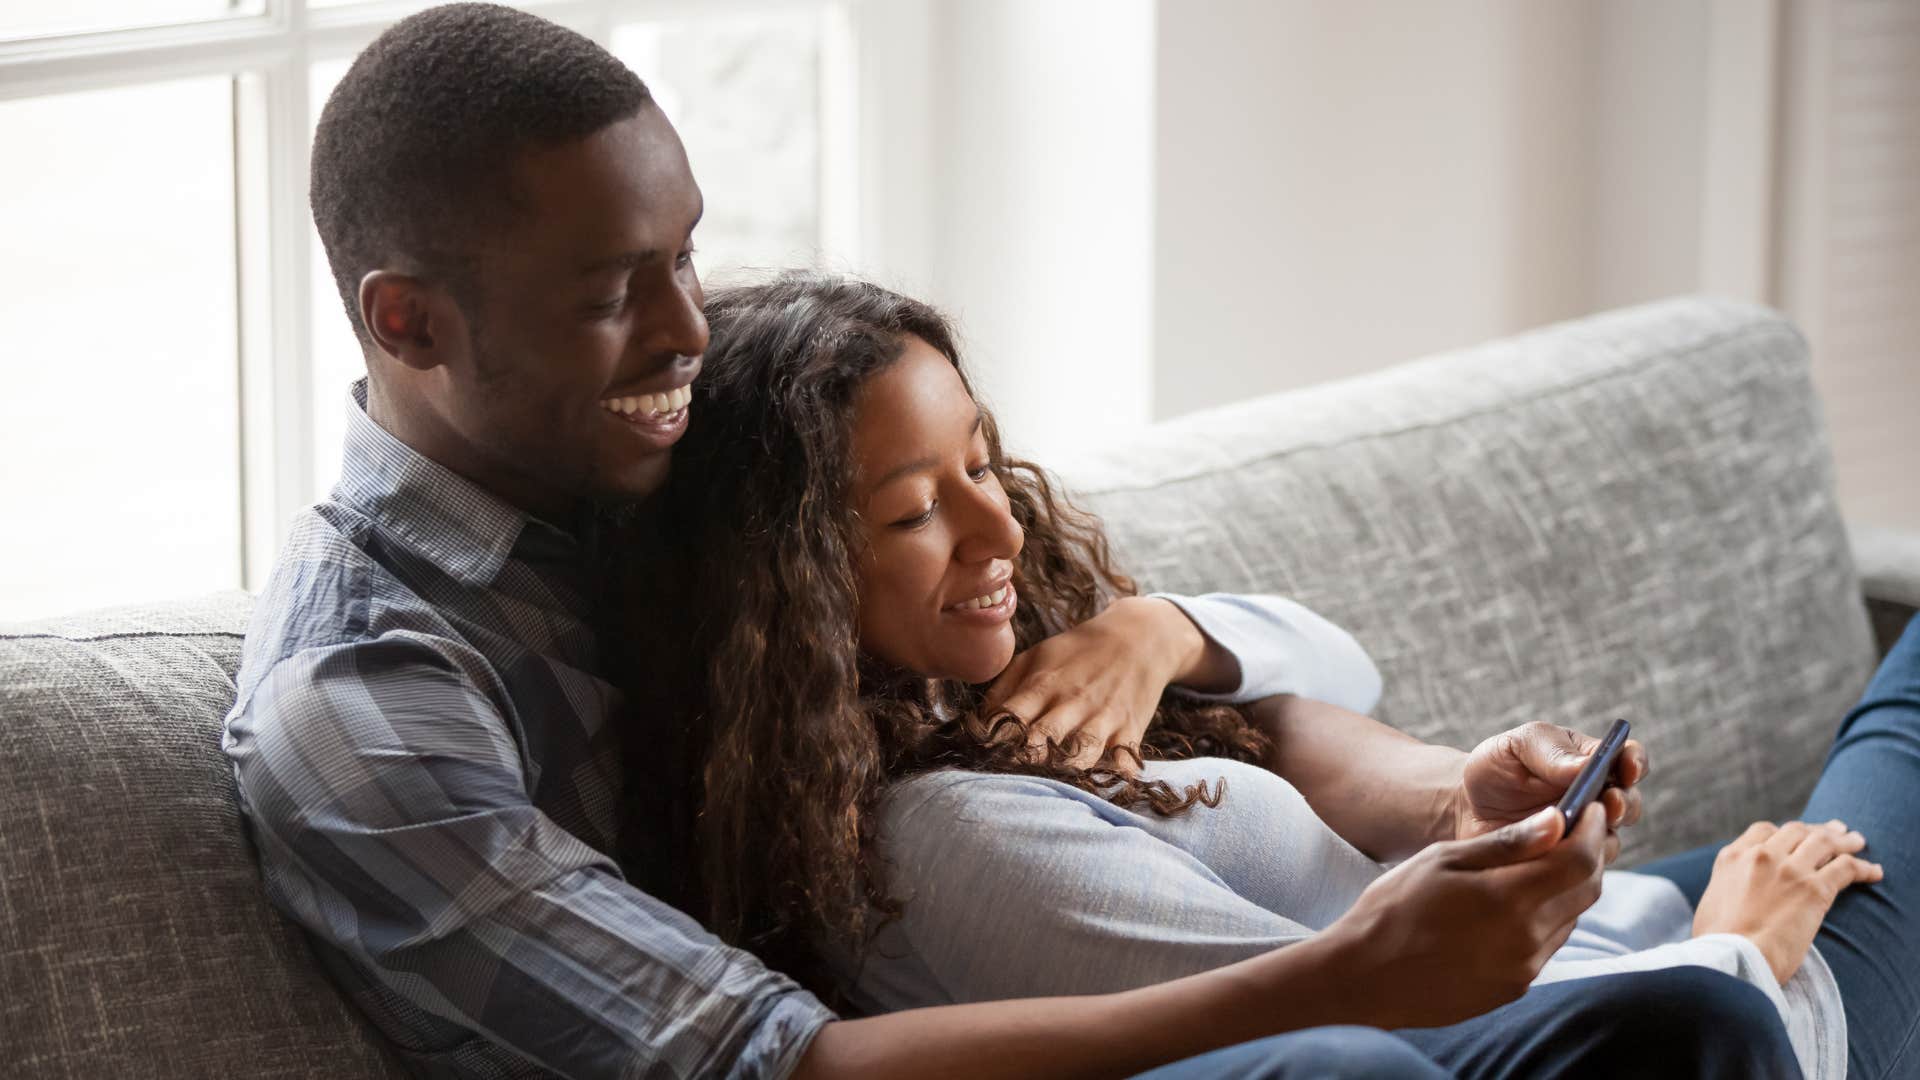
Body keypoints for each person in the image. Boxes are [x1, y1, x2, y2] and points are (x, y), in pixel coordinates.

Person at [223, 4, 1795, 1077]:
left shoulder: (668, 465)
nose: (689, 330)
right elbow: (774, 1060)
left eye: (687, 259)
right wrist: (1356, 972)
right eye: (611, 293)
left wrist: (1159, 629)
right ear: (407, 320)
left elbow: (1242, 692)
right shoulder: (367, 701)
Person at [622, 272, 1898, 1079]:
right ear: (786, 591)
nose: (1001, 529)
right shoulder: (947, 838)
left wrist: (1162, 633)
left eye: (982, 461)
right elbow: (1390, 1018)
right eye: (915, 513)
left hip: (1608, 949)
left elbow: (1325, 675)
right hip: (1648, 1003)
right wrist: (1740, 952)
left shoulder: (997, 698)